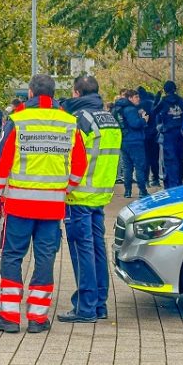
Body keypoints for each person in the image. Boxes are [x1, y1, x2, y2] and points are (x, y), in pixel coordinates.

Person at [0, 74, 87, 334]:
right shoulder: (69, 122)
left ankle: (9, 316)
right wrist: (66, 189)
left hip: (20, 205)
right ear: (53, 94)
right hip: (52, 207)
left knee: (12, 256)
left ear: (30, 93)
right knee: (45, 259)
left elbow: (2, 161)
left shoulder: (18, 120)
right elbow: (79, 166)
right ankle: (37, 318)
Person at [59, 75, 121, 323]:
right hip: (101, 193)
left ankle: (85, 307)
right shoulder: (109, 118)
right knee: (97, 248)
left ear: (76, 93)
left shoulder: (79, 120)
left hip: (79, 193)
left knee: (81, 250)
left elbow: (71, 157)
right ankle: (99, 304)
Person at [154, 81, 183, 188]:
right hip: (180, 133)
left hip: (168, 133)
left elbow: (153, 112)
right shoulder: (181, 100)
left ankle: (171, 185)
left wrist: (157, 98)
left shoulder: (164, 101)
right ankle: (179, 182)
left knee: (170, 160)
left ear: (165, 90)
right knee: (180, 158)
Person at [114, 90, 149, 198]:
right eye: (136, 97)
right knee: (139, 166)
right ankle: (142, 191)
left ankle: (127, 191)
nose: (138, 99)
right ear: (130, 98)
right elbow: (135, 124)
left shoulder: (118, 109)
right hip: (135, 141)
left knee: (127, 167)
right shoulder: (131, 109)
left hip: (124, 141)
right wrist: (144, 120)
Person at [137, 86, 160, 187]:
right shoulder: (152, 103)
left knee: (145, 158)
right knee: (155, 158)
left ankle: (145, 180)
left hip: (143, 135)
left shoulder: (139, 106)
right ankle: (156, 178)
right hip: (154, 134)